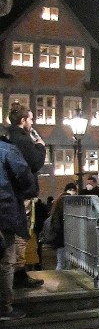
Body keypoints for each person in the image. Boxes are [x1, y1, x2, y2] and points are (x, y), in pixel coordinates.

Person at [5, 102, 44, 289]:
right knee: (22, 232)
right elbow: (34, 163)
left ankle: (15, 271)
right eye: (30, 119)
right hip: (23, 195)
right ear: (23, 120)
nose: (32, 122)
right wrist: (41, 147)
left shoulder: (9, 137)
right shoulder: (22, 139)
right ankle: (19, 272)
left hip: (13, 194)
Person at [0, 138, 36, 320]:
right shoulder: (7, 150)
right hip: (4, 213)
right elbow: (25, 176)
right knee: (6, 260)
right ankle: (4, 307)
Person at [45, 183, 78, 270]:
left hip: (62, 239)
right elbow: (58, 226)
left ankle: (63, 278)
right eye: (71, 190)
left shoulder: (58, 208)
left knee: (64, 262)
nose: (72, 192)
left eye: (74, 190)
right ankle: (61, 278)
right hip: (62, 239)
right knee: (62, 263)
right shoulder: (61, 210)